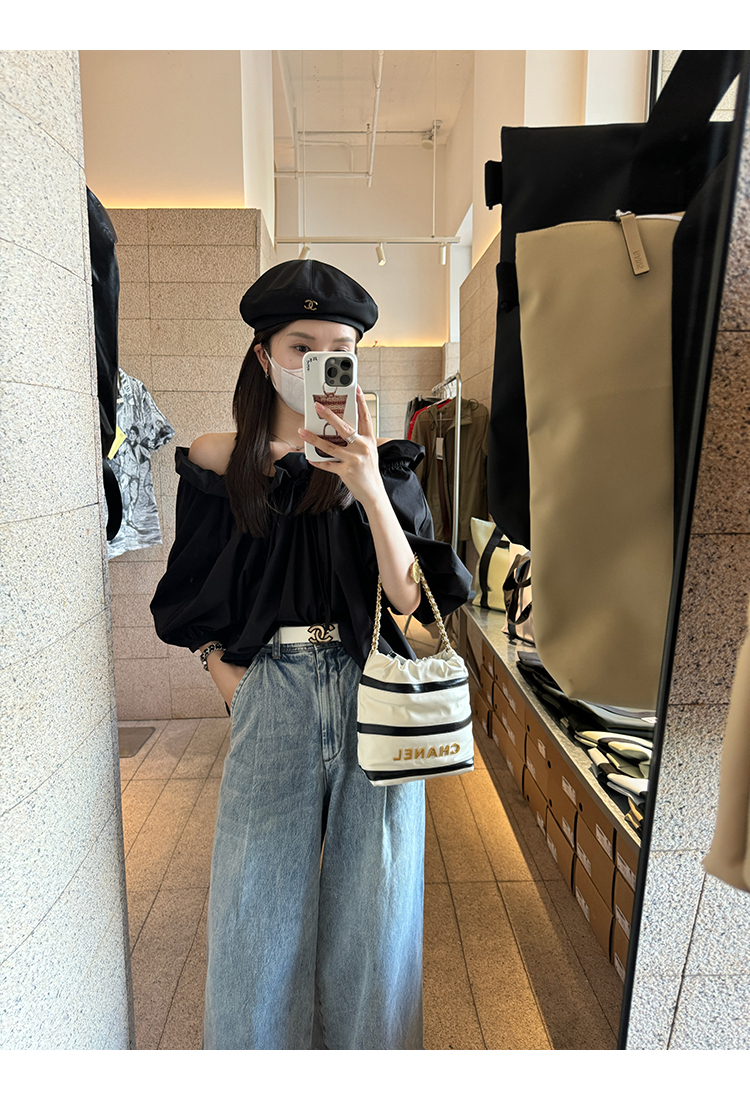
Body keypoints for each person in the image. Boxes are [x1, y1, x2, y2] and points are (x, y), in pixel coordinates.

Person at [150, 259, 472, 1050]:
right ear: (264, 356)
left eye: (340, 350)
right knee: (254, 920)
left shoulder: (383, 465)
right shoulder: (221, 460)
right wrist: (227, 677)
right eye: (302, 347)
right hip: (273, 690)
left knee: (378, 919)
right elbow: (189, 590)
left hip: (373, 692)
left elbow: (411, 601)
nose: (320, 363)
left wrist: (367, 484)